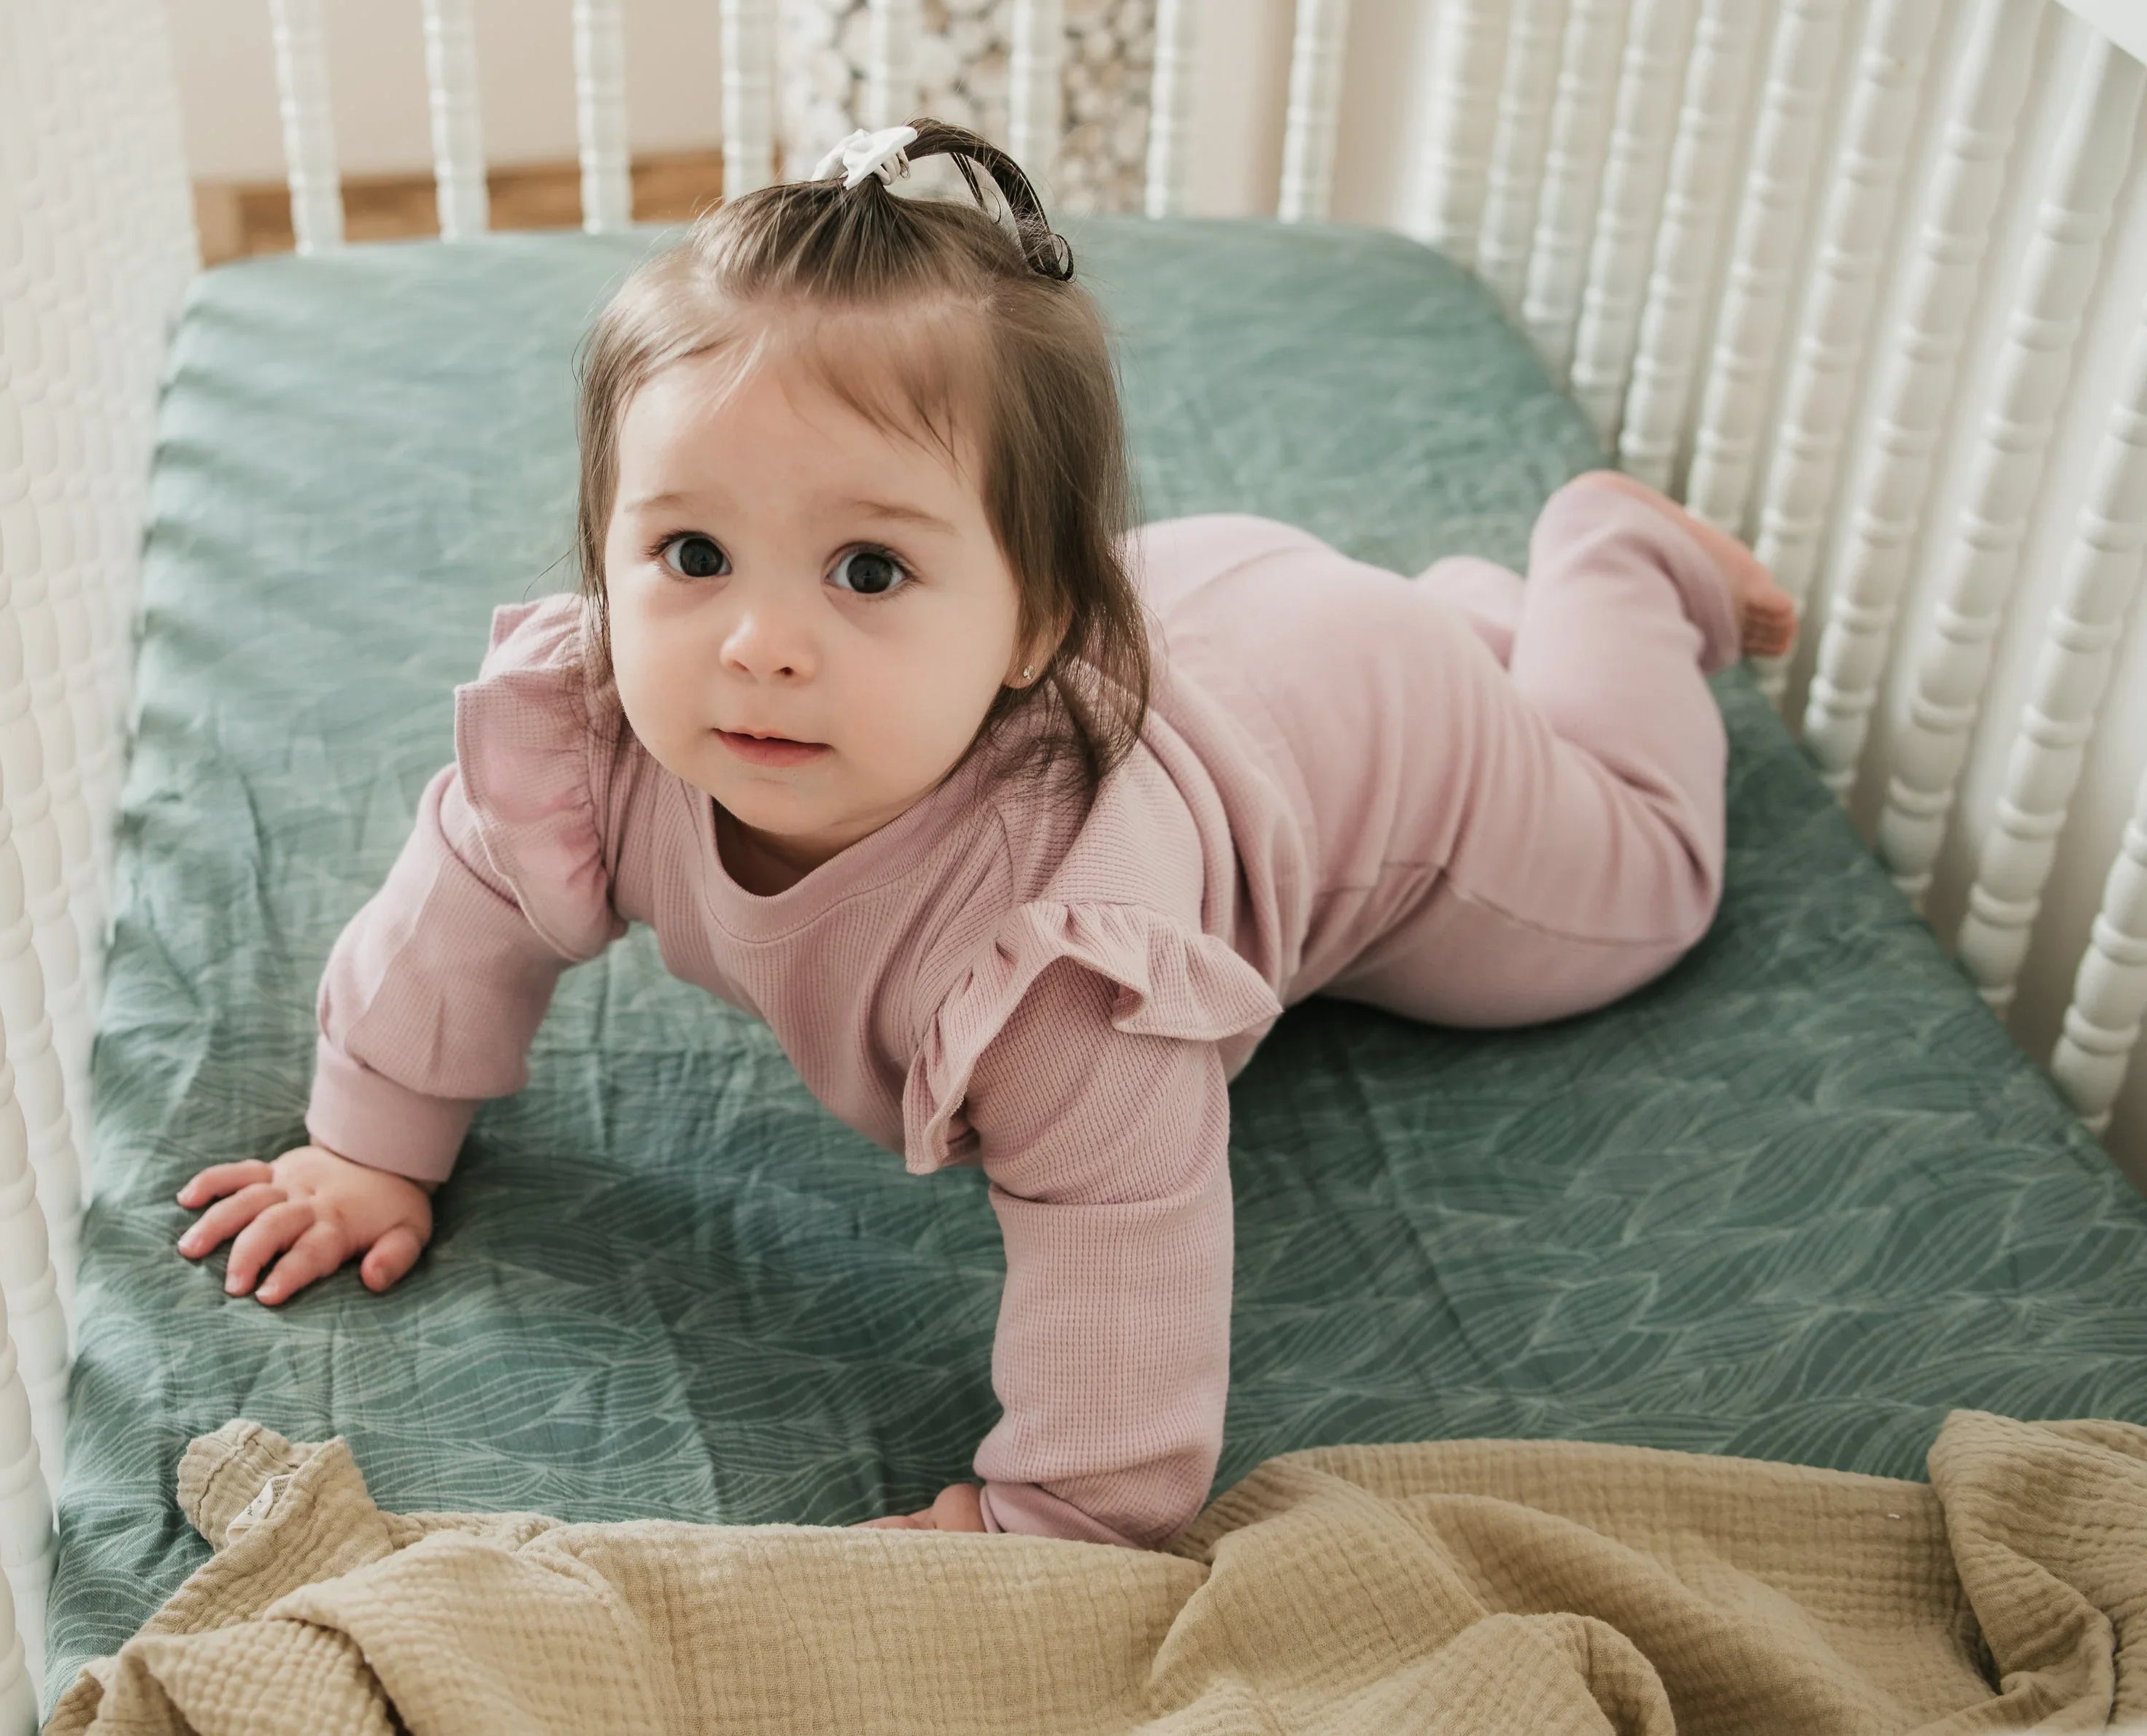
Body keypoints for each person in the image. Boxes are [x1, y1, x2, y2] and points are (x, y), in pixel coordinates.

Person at [173, 119, 1799, 1549]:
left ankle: (1609, 570)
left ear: (1035, 622)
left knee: (1649, 878)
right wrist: (370, 1138)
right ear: (605, 549)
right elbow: (458, 898)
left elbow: (1125, 1256)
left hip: (1385, 756)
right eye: (691, 552)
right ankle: (1468, 619)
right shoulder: (597, 734)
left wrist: (1066, 1511)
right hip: (1226, 617)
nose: (760, 644)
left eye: (867, 570)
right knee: (1390, 644)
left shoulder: (1066, 964)